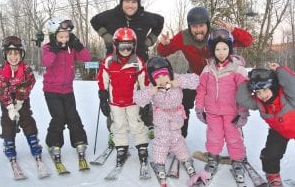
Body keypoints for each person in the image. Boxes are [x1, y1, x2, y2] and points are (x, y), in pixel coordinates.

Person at [157, 6, 253, 138]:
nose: (198, 30)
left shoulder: (218, 34)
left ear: (207, 24)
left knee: (228, 108)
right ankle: (179, 137)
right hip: (195, 77)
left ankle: (237, 141)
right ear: (189, 27)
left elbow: (248, 41)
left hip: (218, 78)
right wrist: (164, 44)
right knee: (182, 103)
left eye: (201, 25)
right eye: (194, 26)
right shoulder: (183, 37)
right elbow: (163, 52)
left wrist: (234, 31)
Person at [90, 0, 164, 138]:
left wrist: (150, 40)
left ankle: (146, 123)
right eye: (127, 2)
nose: (130, 5)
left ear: (138, 3)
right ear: (121, 2)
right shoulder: (111, 15)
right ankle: (114, 129)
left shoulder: (145, 17)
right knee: (114, 95)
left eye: (134, 2)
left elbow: (160, 21)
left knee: (143, 91)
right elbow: (94, 21)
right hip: (114, 63)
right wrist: (106, 37)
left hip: (139, 62)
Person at [133, 56, 204, 186]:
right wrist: (150, 92)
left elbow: (196, 80)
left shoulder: (175, 78)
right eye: (157, 77)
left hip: (176, 114)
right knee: (163, 138)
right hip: (161, 115)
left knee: (177, 138)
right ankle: (159, 163)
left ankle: (185, 159)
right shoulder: (152, 86)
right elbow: (138, 98)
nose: (161, 80)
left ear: (170, 73)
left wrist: (179, 81)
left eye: (164, 75)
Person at [194, 28, 250, 182]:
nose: (221, 52)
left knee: (234, 137)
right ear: (213, 50)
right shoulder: (208, 69)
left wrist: (243, 112)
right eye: (217, 49)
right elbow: (201, 90)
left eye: (224, 48)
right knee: (214, 137)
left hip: (232, 112)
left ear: (230, 49)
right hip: (213, 112)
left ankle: (237, 160)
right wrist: (199, 107)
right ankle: (213, 160)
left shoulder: (238, 69)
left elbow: (243, 92)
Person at [97, 27, 149, 177]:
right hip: (115, 102)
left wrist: (145, 101)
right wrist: (102, 96)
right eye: (122, 46)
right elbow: (103, 79)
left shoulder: (137, 62)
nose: (126, 50)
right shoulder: (108, 61)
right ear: (115, 45)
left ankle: (142, 146)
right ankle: (121, 147)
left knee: (136, 124)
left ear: (134, 46)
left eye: (129, 46)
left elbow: (144, 81)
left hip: (133, 101)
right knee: (118, 125)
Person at [42, 17, 91, 167]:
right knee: (59, 117)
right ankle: (53, 144)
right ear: (53, 36)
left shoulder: (71, 48)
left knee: (72, 116)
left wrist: (79, 46)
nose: (64, 39)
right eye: (61, 36)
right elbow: (47, 62)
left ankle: (79, 141)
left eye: (67, 36)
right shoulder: (48, 48)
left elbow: (87, 58)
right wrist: (55, 50)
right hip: (51, 90)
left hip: (68, 90)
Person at [236, 63, 295, 187]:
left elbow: (291, 83)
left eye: (264, 90)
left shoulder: (288, 96)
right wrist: (247, 81)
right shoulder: (258, 103)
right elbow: (242, 98)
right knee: (270, 154)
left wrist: (280, 70)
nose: (262, 95)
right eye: (257, 92)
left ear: (273, 86)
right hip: (279, 131)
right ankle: (273, 176)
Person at [0, 36, 47, 176]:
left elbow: (28, 84)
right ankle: (9, 144)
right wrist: (10, 107)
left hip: (22, 98)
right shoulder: (1, 71)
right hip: (7, 99)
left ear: (21, 54)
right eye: (10, 54)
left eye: (16, 53)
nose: (13, 57)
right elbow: (1, 89)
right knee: (7, 120)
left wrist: (19, 102)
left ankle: (33, 142)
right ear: (5, 55)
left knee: (26, 118)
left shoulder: (26, 70)